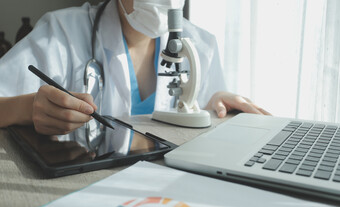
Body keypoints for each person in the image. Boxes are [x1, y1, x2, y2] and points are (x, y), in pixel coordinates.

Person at [0, 0, 269, 136]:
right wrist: (26, 108)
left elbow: (202, 133)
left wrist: (215, 106)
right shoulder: (61, 34)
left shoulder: (201, 44)